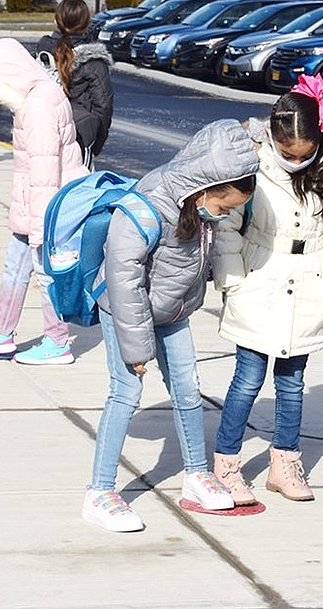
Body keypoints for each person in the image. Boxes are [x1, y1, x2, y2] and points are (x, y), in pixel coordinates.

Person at [82, 120, 259, 532]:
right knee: (125, 392)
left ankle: (196, 473)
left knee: (188, 389)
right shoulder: (148, 204)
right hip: (128, 310)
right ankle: (100, 492)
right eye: (225, 206)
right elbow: (124, 277)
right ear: (205, 188)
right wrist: (139, 349)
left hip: (172, 310)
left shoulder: (198, 206)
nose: (226, 213)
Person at [210, 76, 323, 505]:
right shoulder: (252, 167)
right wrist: (232, 282)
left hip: (309, 284)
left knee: (292, 382)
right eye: (287, 152)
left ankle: (285, 462)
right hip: (258, 279)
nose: (295, 159)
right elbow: (228, 227)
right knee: (247, 380)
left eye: (304, 153)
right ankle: (226, 462)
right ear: (273, 140)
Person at [0, 38, 89, 364]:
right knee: (14, 268)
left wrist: (41, 227)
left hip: (47, 208)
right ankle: (0, 332)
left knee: (47, 274)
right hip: (33, 203)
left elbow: (45, 172)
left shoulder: (38, 107)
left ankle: (57, 342)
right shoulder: (38, 96)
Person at [35, 0, 113, 168]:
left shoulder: (42, 56)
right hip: (78, 137)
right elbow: (103, 106)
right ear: (86, 24)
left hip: (42, 132)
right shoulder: (94, 62)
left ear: (56, 21)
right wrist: (95, 144)